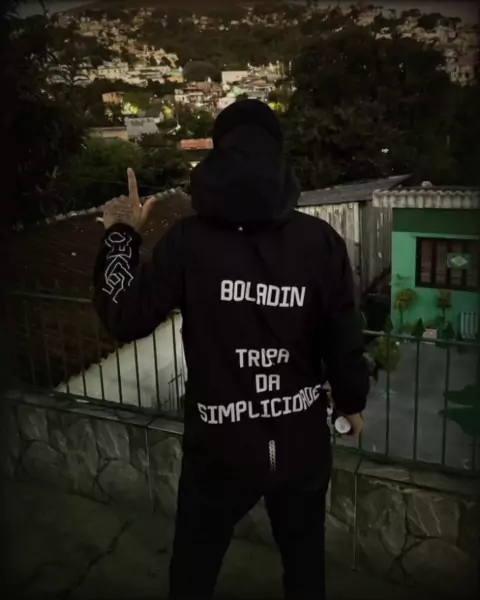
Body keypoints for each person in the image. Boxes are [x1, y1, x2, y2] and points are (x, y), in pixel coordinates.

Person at [93, 100, 369, 600]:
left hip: (219, 449)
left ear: (217, 155)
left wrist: (121, 236)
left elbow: (124, 316)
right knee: (305, 568)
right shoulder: (320, 243)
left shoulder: (186, 243)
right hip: (300, 443)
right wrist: (351, 403)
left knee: (193, 573)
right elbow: (344, 335)